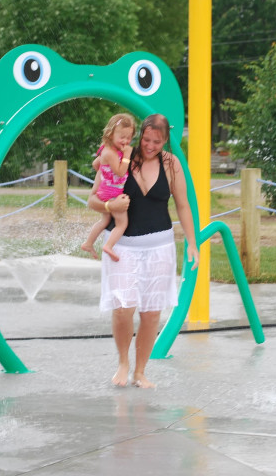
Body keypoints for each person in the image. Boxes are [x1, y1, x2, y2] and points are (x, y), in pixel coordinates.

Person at [87, 113, 199, 389]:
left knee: (151, 313)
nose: (150, 145)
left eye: (157, 142)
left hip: (160, 247)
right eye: (146, 139)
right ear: (139, 136)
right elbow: (92, 199)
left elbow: (183, 205)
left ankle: (140, 371)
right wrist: (109, 208)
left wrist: (192, 242)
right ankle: (123, 362)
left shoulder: (171, 164)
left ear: (166, 140)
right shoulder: (121, 157)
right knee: (123, 308)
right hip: (124, 247)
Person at [81, 113, 136, 261]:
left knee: (104, 221)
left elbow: (95, 164)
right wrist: (127, 155)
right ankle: (109, 246)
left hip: (105, 190)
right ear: (110, 134)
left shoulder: (106, 149)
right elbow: (120, 171)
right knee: (122, 223)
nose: (125, 141)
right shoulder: (112, 153)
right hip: (112, 194)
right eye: (122, 137)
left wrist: (104, 171)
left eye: (129, 137)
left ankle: (88, 243)